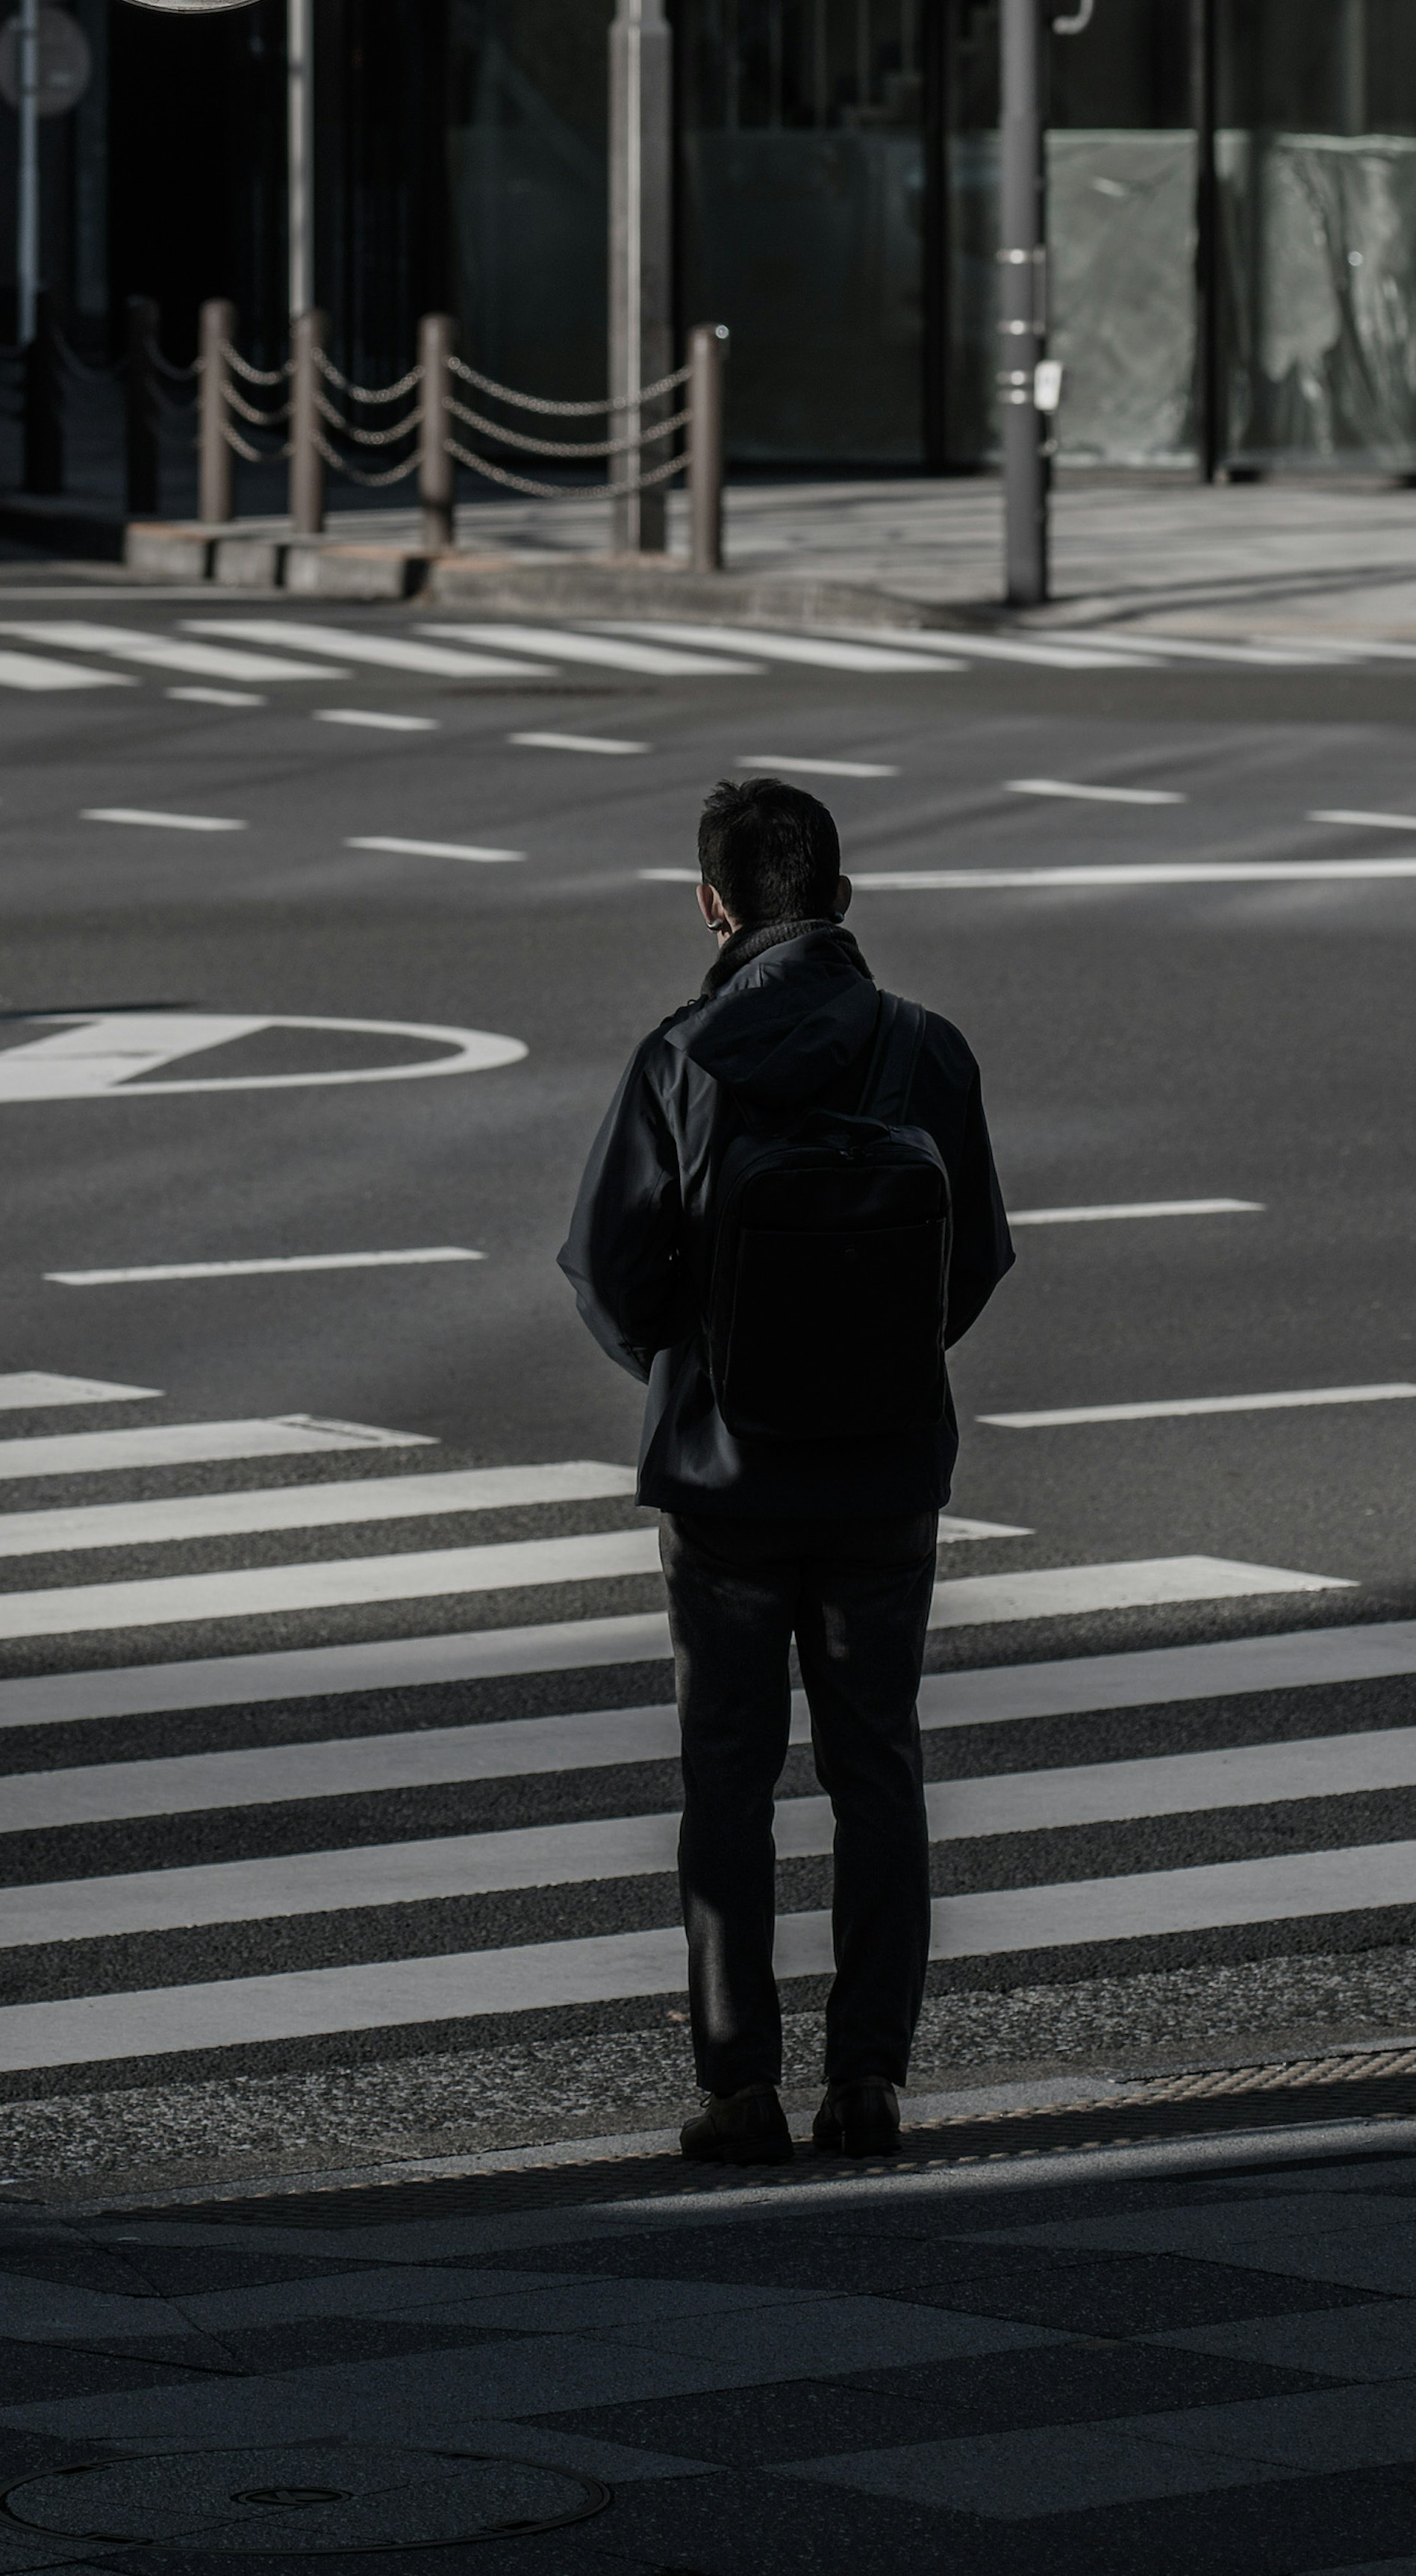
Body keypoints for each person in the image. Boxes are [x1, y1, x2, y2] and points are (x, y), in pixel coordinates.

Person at [558, 771, 1012, 2168]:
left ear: (713, 907)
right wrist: (874, 1368)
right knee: (877, 1768)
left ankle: (739, 2086)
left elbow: (611, 1271)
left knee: (726, 1780)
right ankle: (867, 2081)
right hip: (882, 1478)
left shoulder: (683, 1058)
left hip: (725, 1478)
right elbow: (975, 1254)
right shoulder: (924, 1051)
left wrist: (704, 1374)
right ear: (842, 898)